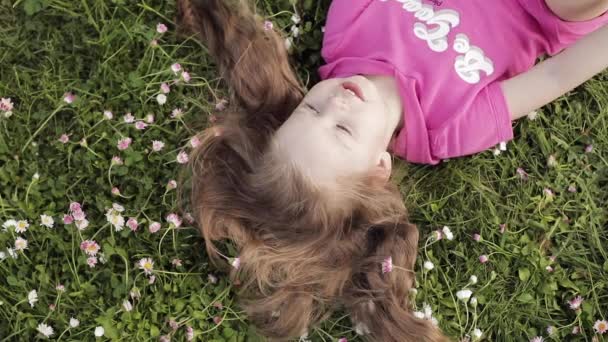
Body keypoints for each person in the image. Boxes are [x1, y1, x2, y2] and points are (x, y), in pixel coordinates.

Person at [176, 0, 608, 340]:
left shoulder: (345, 36)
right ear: (378, 168)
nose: (336, 103)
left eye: (309, 108)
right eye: (342, 130)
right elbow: (553, 77)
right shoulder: (447, 129)